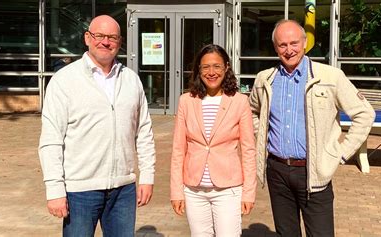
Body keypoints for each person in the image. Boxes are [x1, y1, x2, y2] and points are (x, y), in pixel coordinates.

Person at [249, 19, 375, 236]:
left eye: (294, 43)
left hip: (315, 172)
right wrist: (262, 135)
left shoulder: (330, 77)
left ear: (305, 43)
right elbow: (251, 110)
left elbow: (364, 113)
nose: (289, 50)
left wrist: (340, 154)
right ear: (275, 47)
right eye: (282, 45)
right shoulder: (264, 79)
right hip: (277, 171)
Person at [38, 15, 156, 237]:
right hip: (80, 190)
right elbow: (51, 140)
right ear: (87, 38)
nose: (105, 42)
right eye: (99, 35)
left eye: (112, 37)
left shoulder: (131, 80)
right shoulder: (64, 80)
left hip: (123, 189)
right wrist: (54, 189)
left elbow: (144, 133)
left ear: (119, 42)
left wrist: (147, 176)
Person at [170, 44, 257, 236]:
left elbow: (249, 150)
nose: (211, 72)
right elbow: (178, 150)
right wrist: (176, 191)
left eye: (216, 66)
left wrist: (249, 192)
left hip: (228, 190)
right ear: (198, 70)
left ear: (226, 67)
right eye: (205, 67)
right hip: (194, 190)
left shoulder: (240, 101)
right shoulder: (186, 101)